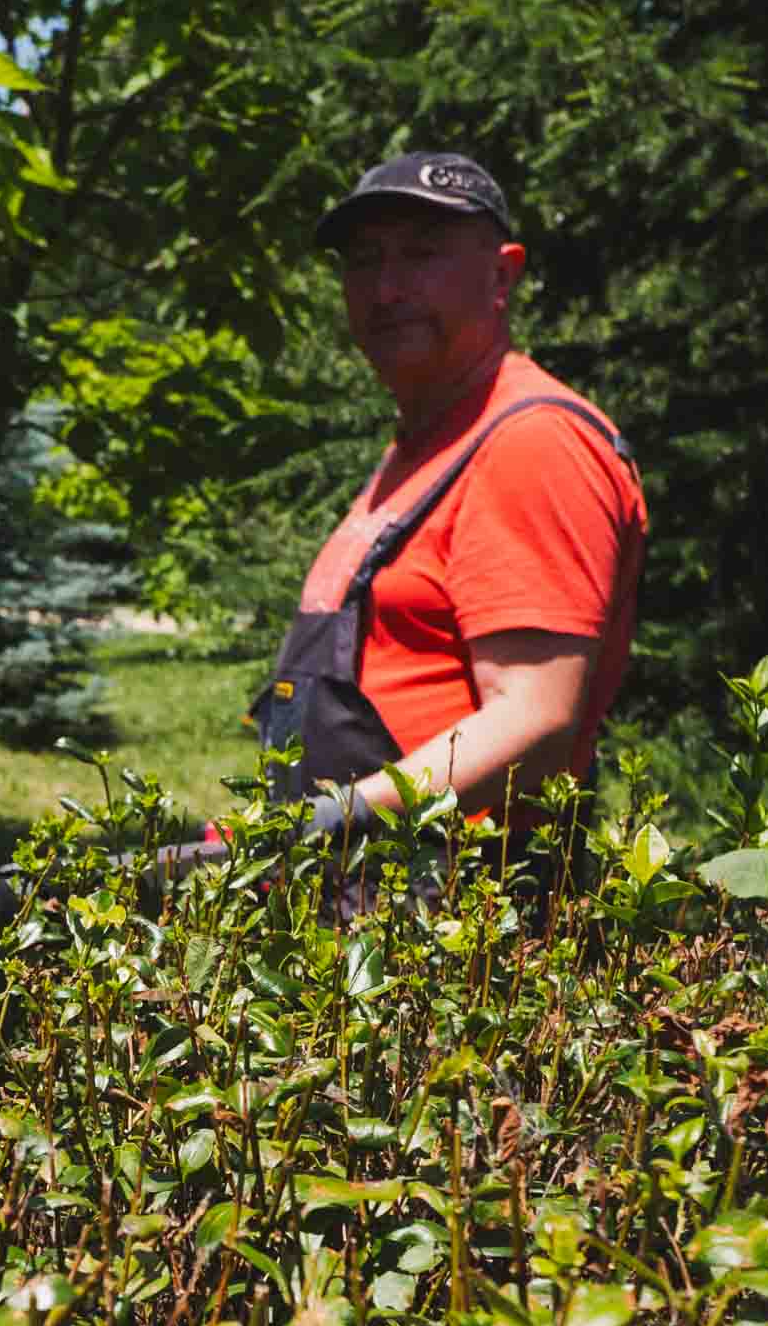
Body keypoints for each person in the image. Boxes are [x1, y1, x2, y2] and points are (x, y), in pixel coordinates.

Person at [228, 150, 646, 879]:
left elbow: (535, 722)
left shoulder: (532, 441)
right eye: (364, 261)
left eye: (423, 254)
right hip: (361, 899)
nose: (387, 289)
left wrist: (330, 822)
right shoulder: (423, 446)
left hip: (457, 915)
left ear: (501, 276)